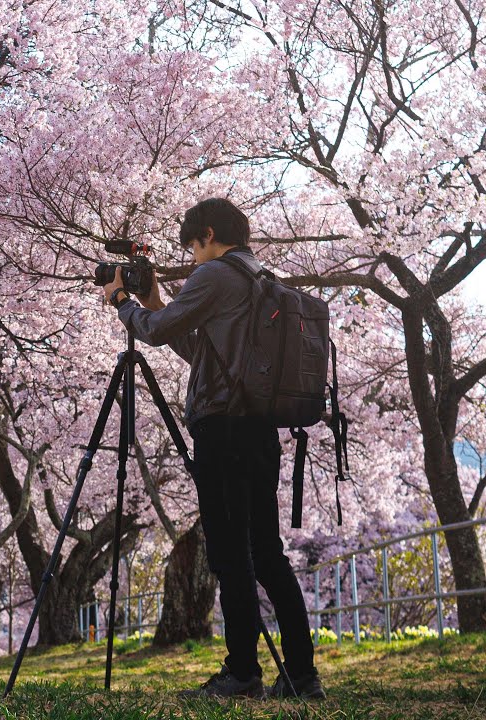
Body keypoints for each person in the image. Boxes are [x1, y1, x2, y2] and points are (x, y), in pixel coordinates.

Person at [101, 197, 325, 701]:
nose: (192, 255)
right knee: (268, 554)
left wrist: (123, 304)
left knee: (229, 555)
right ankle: (303, 675)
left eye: (192, 245)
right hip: (260, 430)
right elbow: (203, 354)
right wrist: (157, 302)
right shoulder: (259, 279)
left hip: (223, 431)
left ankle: (242, 673)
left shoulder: (215, 276)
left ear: (206, 234)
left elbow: (155, 335)